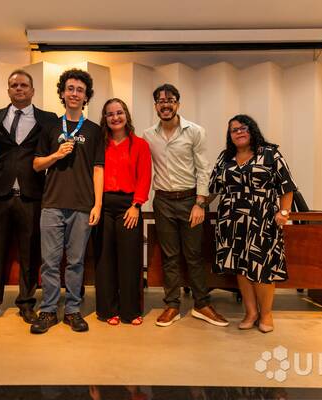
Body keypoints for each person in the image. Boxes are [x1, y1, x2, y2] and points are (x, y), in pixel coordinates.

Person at [0, 70, 57, 326]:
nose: (19, 89)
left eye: (23, 85)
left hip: (32, 196)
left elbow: (56, 155)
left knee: (30, 253)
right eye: (14, 85)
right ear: (8, 90)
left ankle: (27, 303)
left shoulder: (48, 119)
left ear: (32, 91)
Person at [143, 83, 229, 328]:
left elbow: (203, 168)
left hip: (191, 201)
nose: (165, 105)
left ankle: (202, 304)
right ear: (156, 106)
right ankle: (172, 305)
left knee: (193, 255)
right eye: (160, 101)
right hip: (163, 201)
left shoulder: (195, 131)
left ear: (177, 104)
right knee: (170, 256)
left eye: (170, 100)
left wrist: (200, 203)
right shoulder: (148, 135)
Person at [31, 69, 104, 334]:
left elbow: (98, 169)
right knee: (49, 263)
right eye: (70, 88)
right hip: (52, 204)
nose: (74, 93)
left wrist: (97, 205)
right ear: (62, 93)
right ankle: (48, 310)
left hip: (82, 206)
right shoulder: (50, 127)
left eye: (80, 90)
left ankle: (73, 310)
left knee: (76, 262)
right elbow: (36, 164)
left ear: (86, 96)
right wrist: (56, 155)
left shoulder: (95, 130)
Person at [208, 114, 296, 333]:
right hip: (232, 220)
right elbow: (212, 188)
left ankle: (266, 314)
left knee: (262, 267)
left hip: (262, 218)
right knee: (241, 267)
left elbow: (287, 186)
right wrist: (198, 204)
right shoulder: (225, 157)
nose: (239, 132)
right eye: (234, 130)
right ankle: (250, 313)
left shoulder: (270, 153)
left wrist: (284, 211)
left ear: (252, 130)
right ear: (229, 135)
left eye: (243, 128)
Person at [94, 98, 151, 326]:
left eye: (119, 112)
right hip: (103, 205)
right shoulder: (100, 144)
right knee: (105, 259)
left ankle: (130, 310)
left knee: (129, 259)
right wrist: (96, 205)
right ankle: (108, 309)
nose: (115, 117)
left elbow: (144, 176)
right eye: (110, 114)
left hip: (130, 206)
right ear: (105, 119)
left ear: (126, 115)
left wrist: (136, 205)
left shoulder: (140, 145)